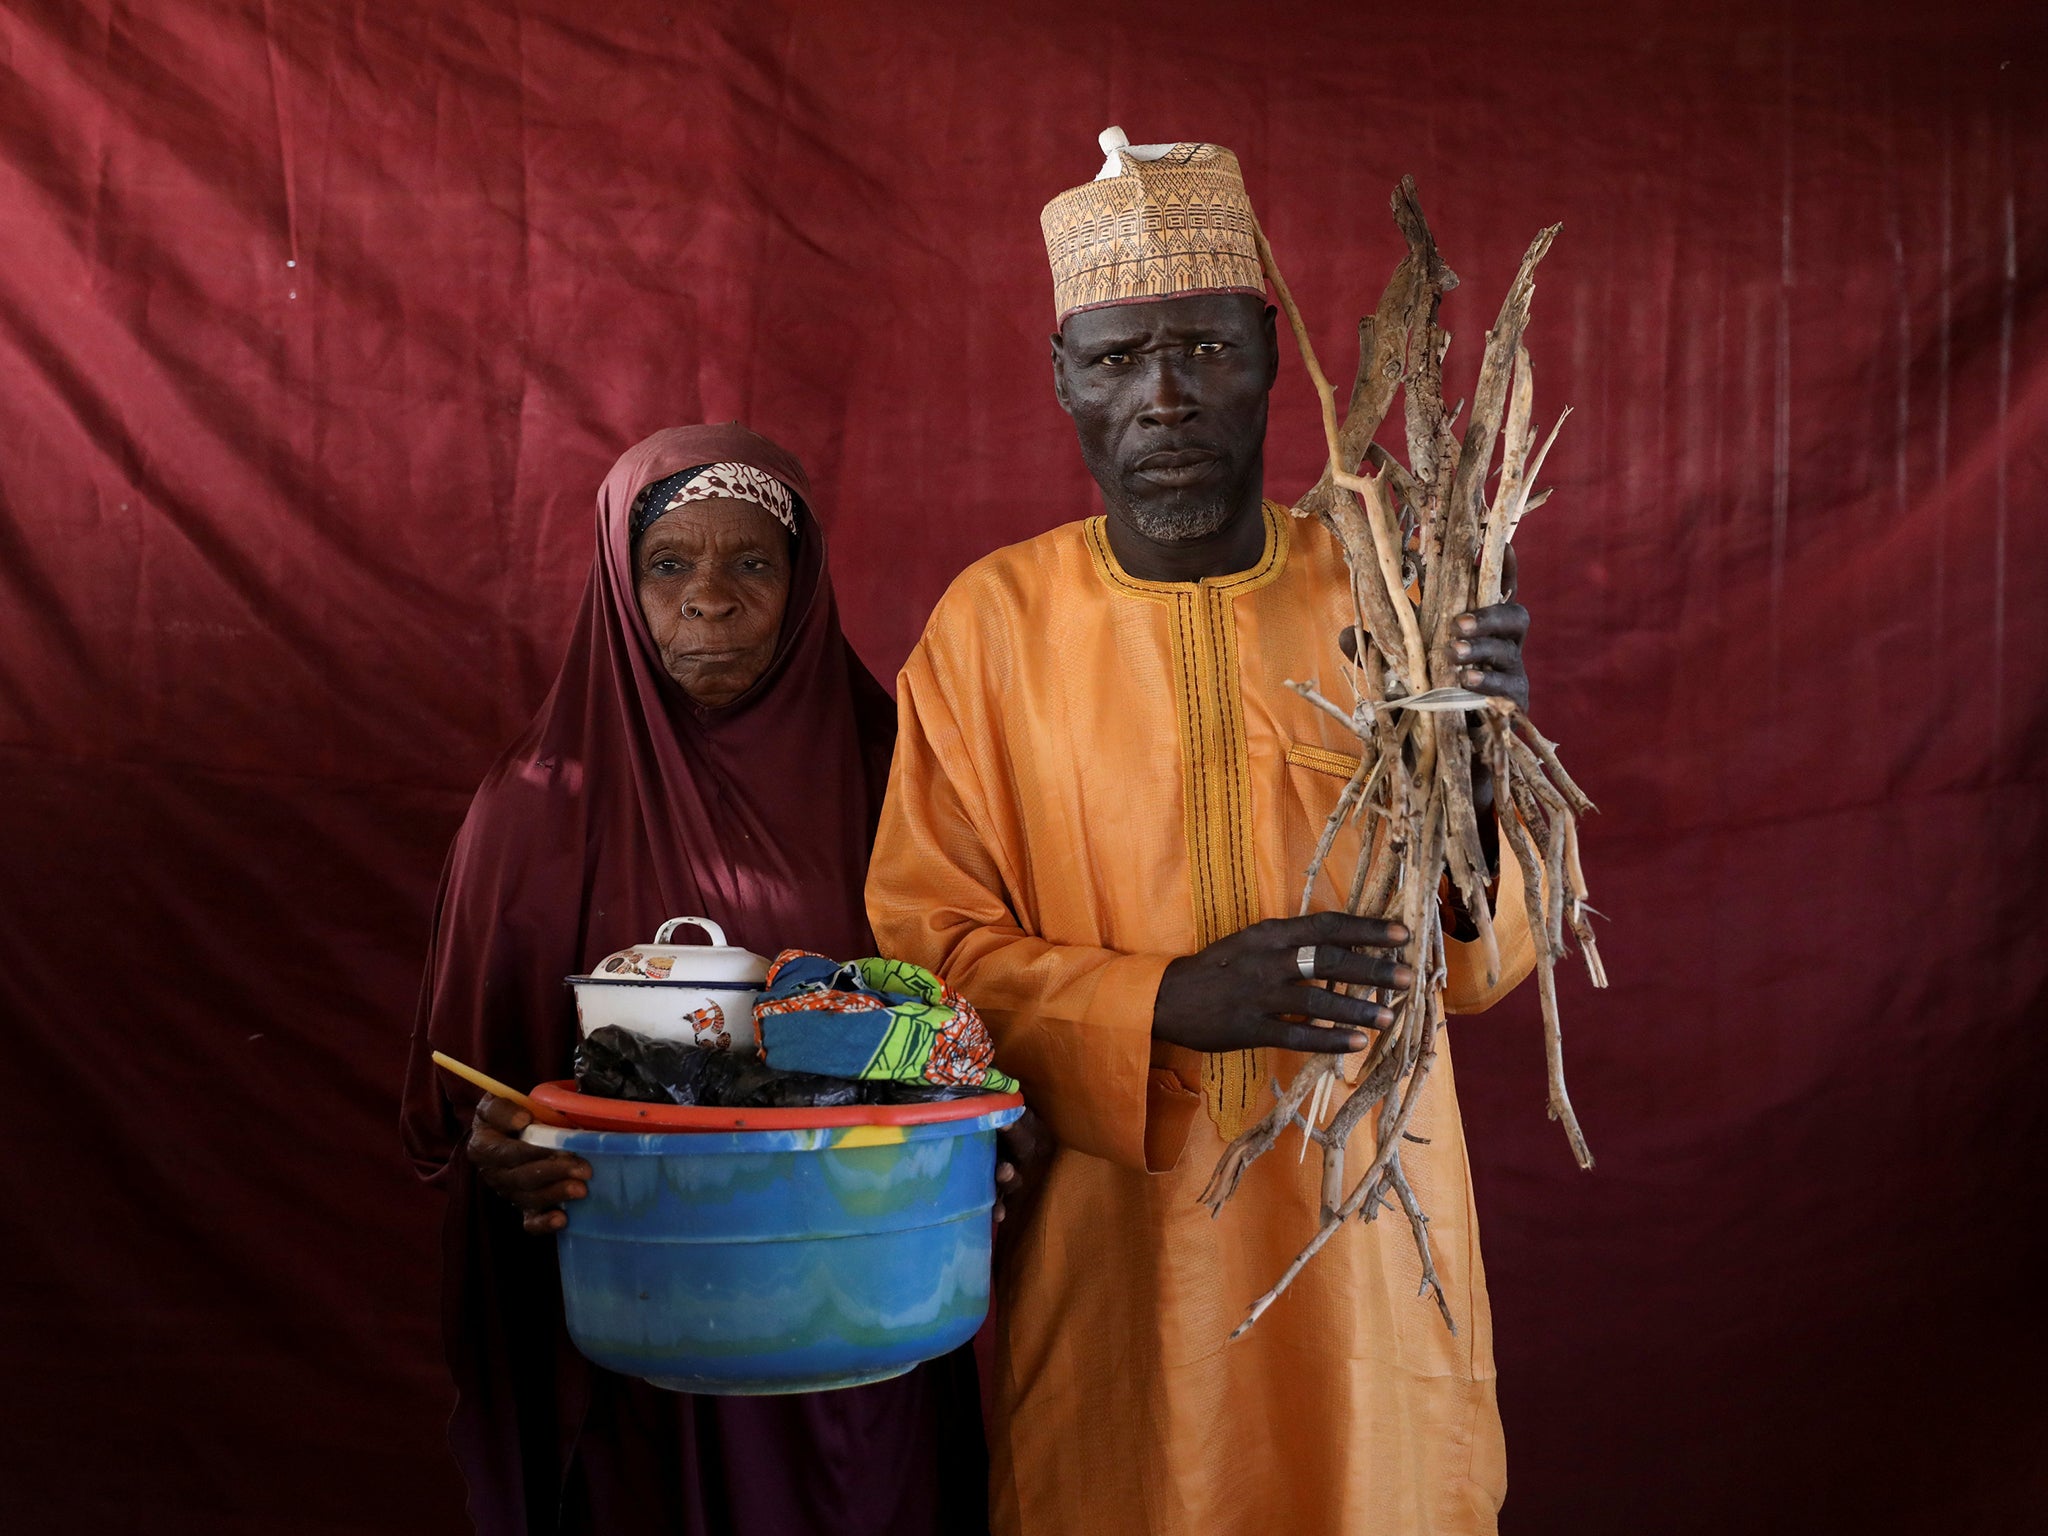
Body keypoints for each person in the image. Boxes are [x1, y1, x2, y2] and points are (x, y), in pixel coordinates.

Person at [865, 136, 1539, 1534]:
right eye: (1115, 359)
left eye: (1201, 351)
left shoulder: (1391, 596)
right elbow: (929, 960)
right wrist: (1168, 1000)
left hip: (1367, 1229)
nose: (1161, 398)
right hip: (1117, 1249)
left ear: (1270, 355)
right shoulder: (990, 631)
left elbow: (1483, 968)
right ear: (1061, 375)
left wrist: (1475, 771)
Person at [400, 425, 990, 1536]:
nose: (708, 601)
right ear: (621, 588)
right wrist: (505, 1141)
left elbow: (975, 1024)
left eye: (750, 564)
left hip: (857, 1294)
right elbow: (458, 1102)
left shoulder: (897, 779)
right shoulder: (537, 807)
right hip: (634, 1312)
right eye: (668, 565)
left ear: (804, 583)